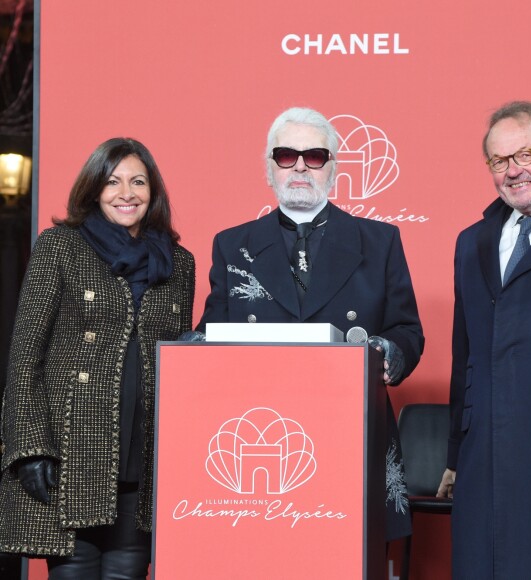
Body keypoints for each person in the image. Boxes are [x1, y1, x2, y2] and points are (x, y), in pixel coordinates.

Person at [189, 106, 424, 543]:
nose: (299, 166)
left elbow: (407, 331)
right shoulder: (232, 244)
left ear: (333, 169)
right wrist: (192, 347)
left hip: (351, 432)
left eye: (315, 156)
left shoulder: (380, 241)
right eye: (286, 155)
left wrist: (389, 353)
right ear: (269, 168)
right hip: (259, 430)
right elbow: (210, 333)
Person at [0, 138, 195, 579]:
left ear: (153, 191)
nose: (126, 192)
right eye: (113, 182)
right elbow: (25, 353)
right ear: (94, 190)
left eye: (138, 181)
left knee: (129, 573)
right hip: (71, 451)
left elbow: (179, 362)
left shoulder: (178, 263)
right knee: (74, 571)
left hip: (144, 455)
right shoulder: (60, 247)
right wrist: (30, 448)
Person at [436, 101, 531, 578]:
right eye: (499, 161)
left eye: (525, 154)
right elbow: (465, 354)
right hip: (483, 458)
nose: (513, 171)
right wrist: (456, 454)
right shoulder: (470, 241)